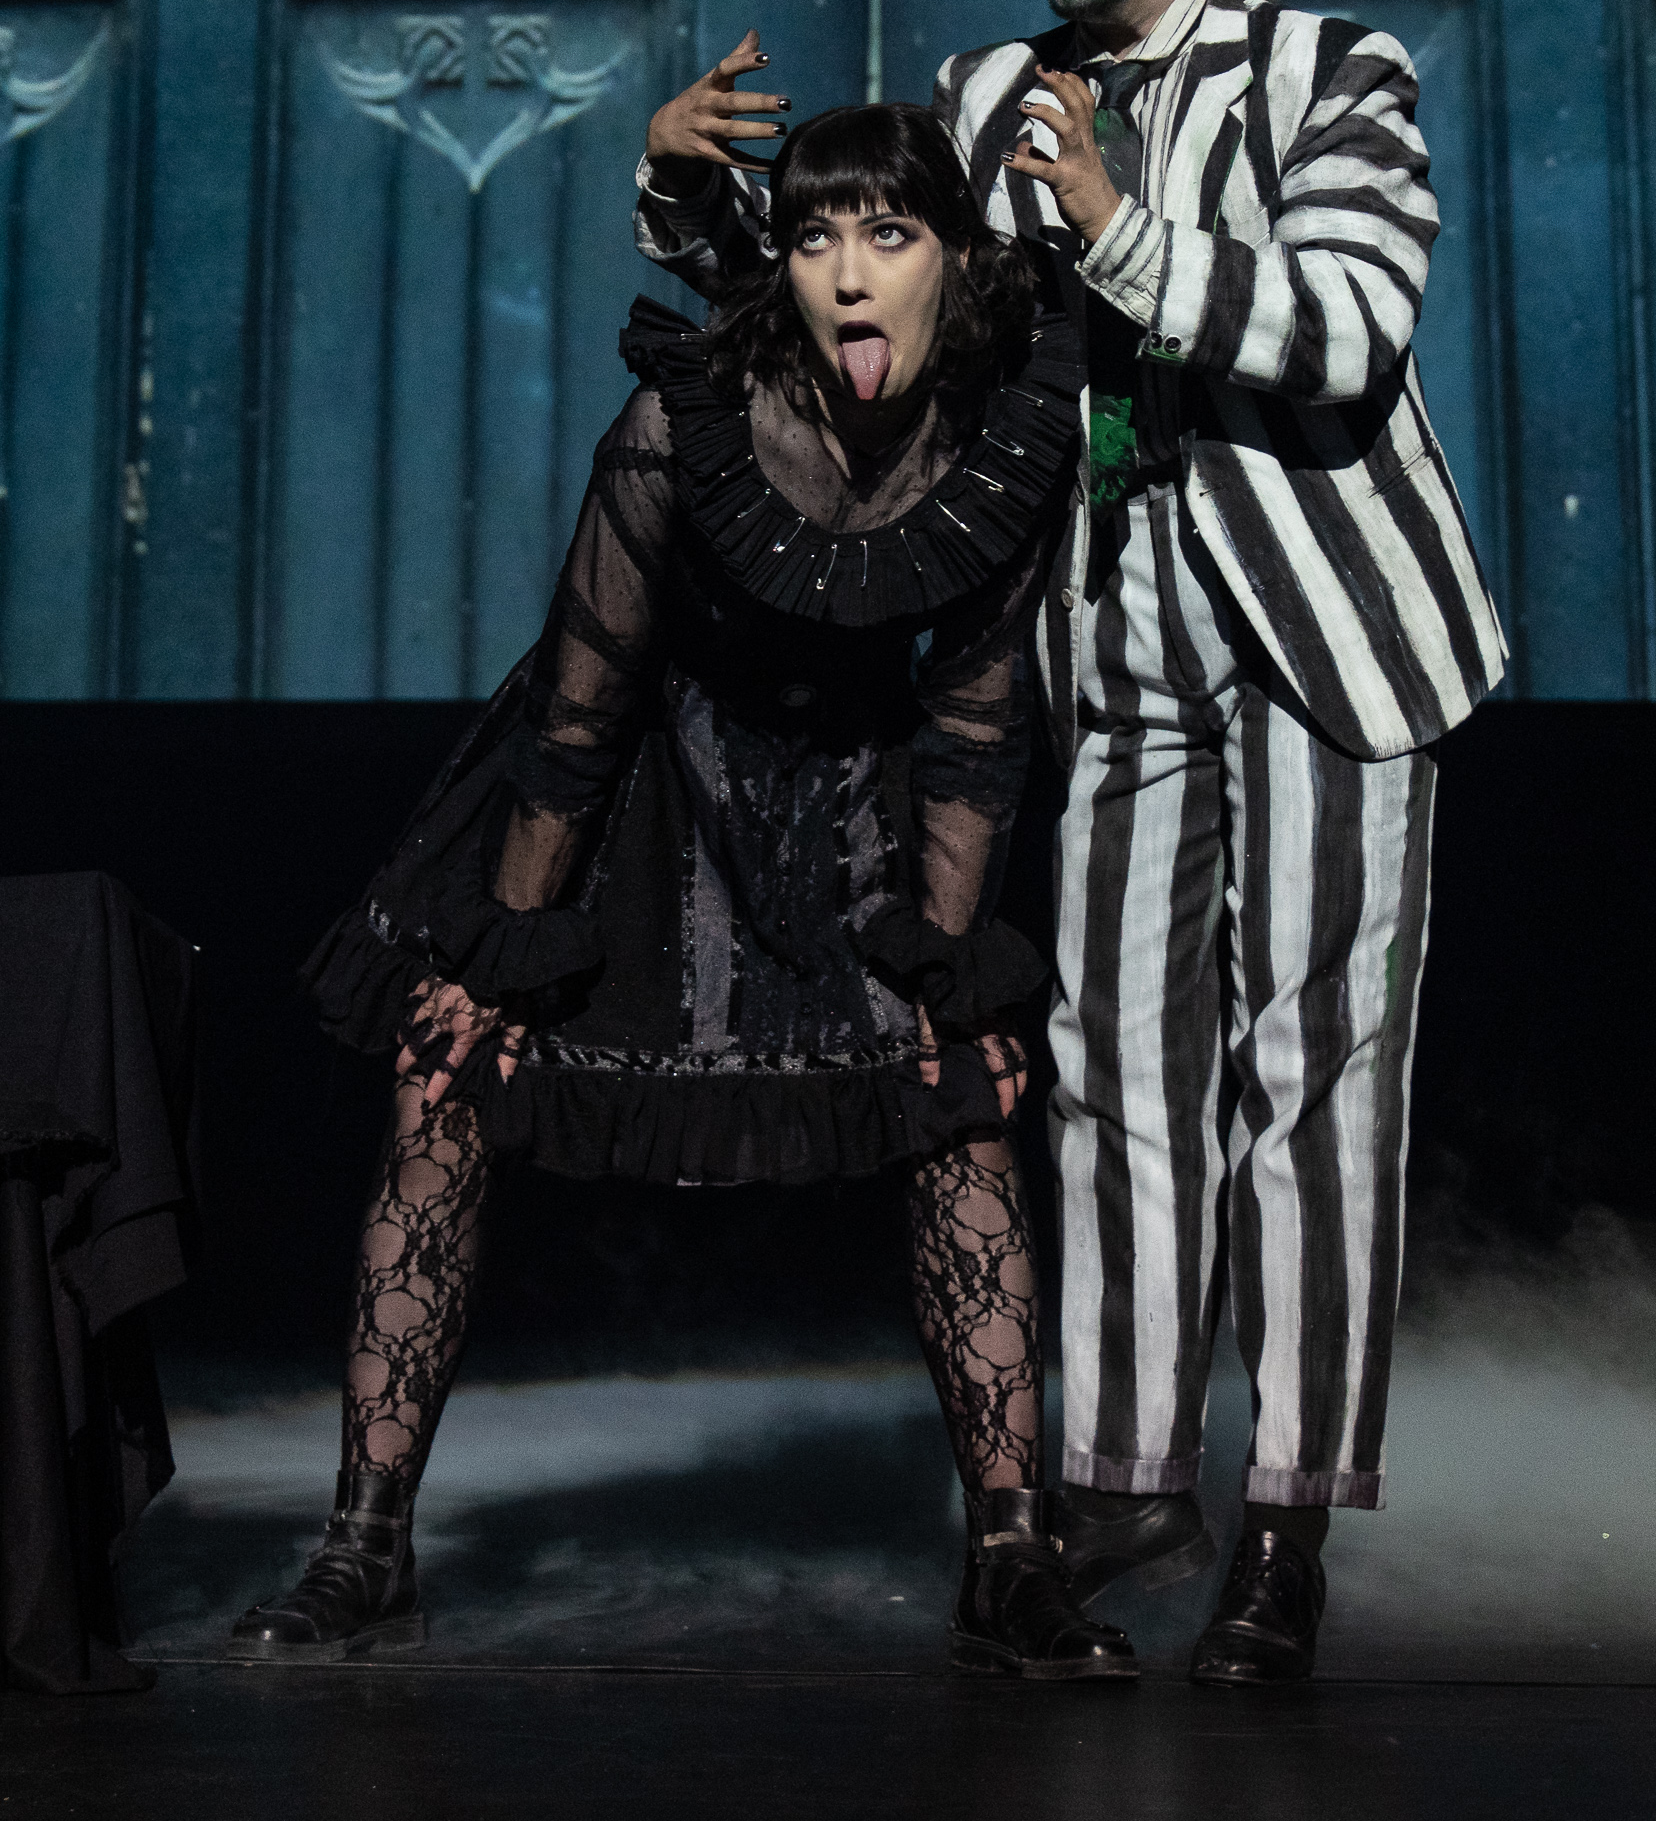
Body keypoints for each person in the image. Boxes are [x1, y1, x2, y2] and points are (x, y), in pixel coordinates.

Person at [633, 0, 1508, 1685]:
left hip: (1329, 636)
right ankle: (1123, 1474)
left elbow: (1348, 327)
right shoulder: (986, 95)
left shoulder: (1329, 70)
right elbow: (867, 296)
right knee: (1112, 1065)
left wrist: (1113, 226)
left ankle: (1284, 1518)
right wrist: (692, 203)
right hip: (1111, 643)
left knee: (1313, 1075)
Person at [229, 101, 1138, 1682]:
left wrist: (940, 957)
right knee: (447, 1081)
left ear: (953, 256)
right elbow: (582, 706)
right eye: (813, 236)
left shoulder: (1001, 443)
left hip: (851, 801)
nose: (846, 274)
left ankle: (1008, 1557)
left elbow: (978, 723)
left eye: (887, 234)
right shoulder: (685, 419)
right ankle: (365, 1545)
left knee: (960, 1104)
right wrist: (511, 947)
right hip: (642, 796)